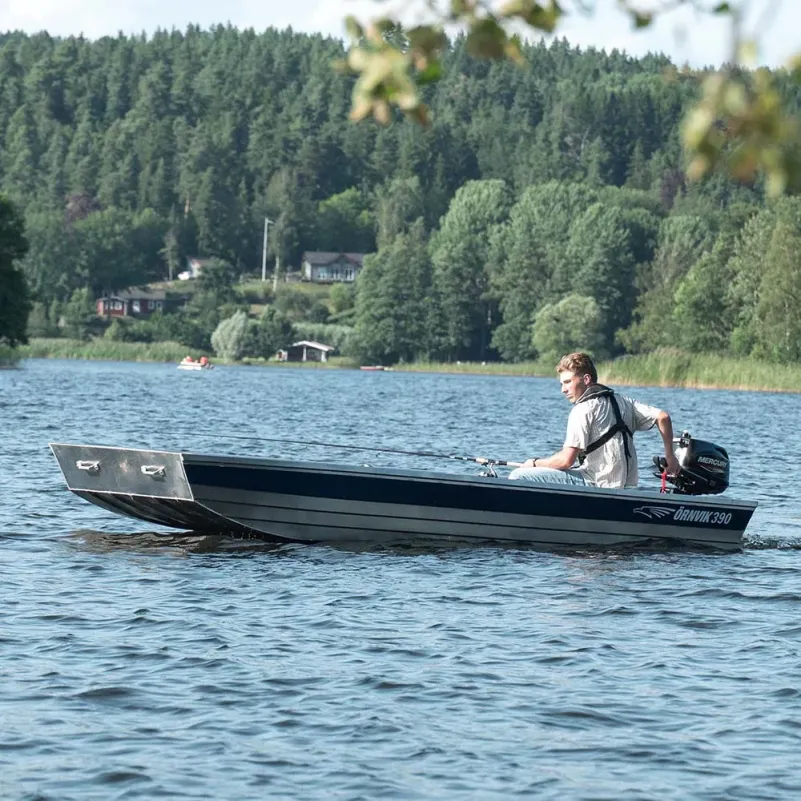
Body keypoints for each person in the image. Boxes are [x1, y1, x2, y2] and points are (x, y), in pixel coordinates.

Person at [506, 352, 680, 489]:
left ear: (586, 379)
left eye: (567, 382)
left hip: (596, 485)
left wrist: (534, 463)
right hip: (628, 487)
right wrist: (670, 456)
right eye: (562, 384)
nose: (563, 390)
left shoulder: (582, 410)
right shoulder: (624, 401)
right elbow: (662, 417)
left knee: (518, 476)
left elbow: (566, 461)